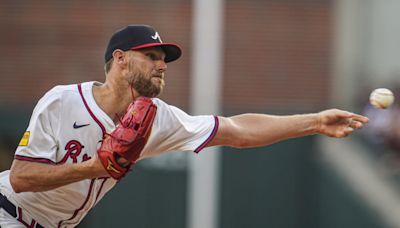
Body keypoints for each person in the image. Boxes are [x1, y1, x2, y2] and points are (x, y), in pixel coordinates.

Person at [0, 24, 369, 228]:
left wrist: (315, 121)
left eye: (164, 59)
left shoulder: (158, 118)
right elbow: (21, 178)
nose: (161, 66)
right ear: (120, 59)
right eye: (151, 57)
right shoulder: (63, 100)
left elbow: (237, 131)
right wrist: (94, 168)